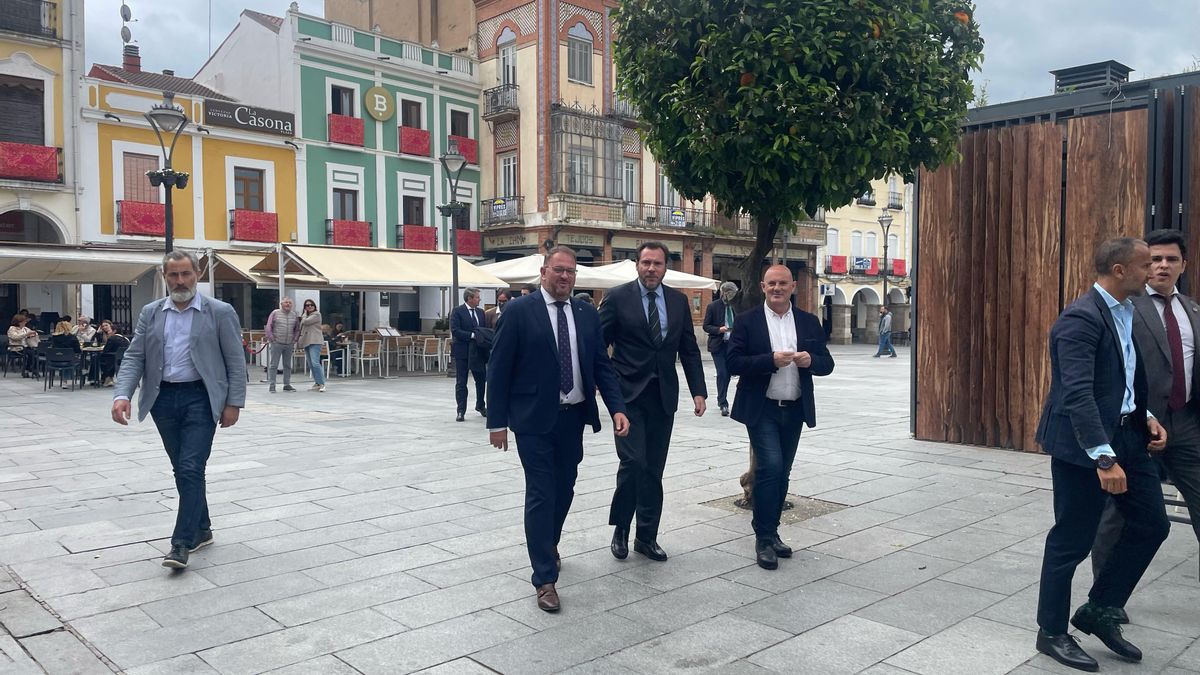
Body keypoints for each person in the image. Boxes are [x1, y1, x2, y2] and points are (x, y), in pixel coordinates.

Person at [1033, 237, 1170, 672]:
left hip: (1128, 434)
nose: (1152, 271)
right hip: (1084, 446)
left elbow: (1119, 378)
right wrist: (1104, 459)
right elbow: (1076, 393)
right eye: (1145, 264)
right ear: (1118, 270)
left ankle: (1099, 609)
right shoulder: (1079, 319)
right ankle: (1051, 631)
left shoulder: (1126, 311)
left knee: (1152, 523)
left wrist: (1144, 414)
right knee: (1071, 540)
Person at [487, 245, 629, 612]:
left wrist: (617, 408)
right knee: (541, 492)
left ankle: (548, 543)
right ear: (544, 272)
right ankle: (545, 578)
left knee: (565, 487)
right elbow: (499, 368)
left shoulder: (585, 313)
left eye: (571, 272)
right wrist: (497, 422)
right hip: (532, 420)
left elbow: (600, 365)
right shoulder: (519, 312)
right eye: (559, 270)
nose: (565, 277)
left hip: (574, 417)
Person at [1090, 229, 1200, 622]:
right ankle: (1106, 598)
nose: (1161, 266)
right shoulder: (1125, 308)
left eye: (1171, 260)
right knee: (1119, 515)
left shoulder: (1193, 310)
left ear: (1183, 266)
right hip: (1138, 426)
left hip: (1186, 424)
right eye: (1154, 260)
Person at [111, 250, 246, 570]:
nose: (180, 280)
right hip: (163, 399)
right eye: (174, 275)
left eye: (186, 274)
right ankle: (202, 528)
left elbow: (235, 361)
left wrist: (234, 403)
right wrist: (122, 394)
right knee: (183, 468)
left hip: (201, 397)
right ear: (164, 276)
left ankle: (181, 543)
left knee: (189, 467)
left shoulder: (219, 311)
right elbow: (135, 357)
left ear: (197, 275)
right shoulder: (152, 312)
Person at [599, 241, 707, 562]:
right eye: (646, 262)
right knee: (633, 463)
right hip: (627, 397)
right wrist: (603, 388)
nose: (651, 269)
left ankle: (646, 537)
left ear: (665, 268)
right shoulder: (617, 298)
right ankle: (621, 528)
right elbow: (598, 346)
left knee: (653, 470)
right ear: (637, 264)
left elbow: (688, 348)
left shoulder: (677, 301)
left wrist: (698, 390)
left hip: (663, 398)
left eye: (657, 264)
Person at [727, 264, 834, 571]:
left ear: (793, 287)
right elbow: (733, 362)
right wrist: (769, 360)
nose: (777, 288)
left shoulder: (808, 322)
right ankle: (762, 537)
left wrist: (810, 359)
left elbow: (827, 364)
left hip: (795, 408)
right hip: (762, 409)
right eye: (771, 283)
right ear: (763, 286)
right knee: (770, 467)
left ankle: (772, 532)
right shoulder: (748, 321)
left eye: (783, 283)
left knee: (783, 472)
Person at [703, 281, 740, 416]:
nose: (731, 297)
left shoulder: (736, 307)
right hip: (718, 344)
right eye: (730, 294)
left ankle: (722, 397)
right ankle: (723, 402)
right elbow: (706, 326)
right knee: (722, 372)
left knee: (728, 373)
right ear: (723, 293)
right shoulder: (713, 306)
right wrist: (719, 329)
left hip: (732, 345)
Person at [450, 288, 487, 421]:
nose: (479, 299)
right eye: (477, 297)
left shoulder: (481, 313)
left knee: (481, 379)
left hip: (477, 352)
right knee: (461, 382)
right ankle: (461, 410)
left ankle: (481, 405)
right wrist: (472, 335)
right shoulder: (458, 311)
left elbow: (483, 329)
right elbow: (455, 331)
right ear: (469, 298)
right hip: (463, 351)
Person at [264, 297, 300, 393]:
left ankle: (287, 384)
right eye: (286, 302)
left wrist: (294, 339)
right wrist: (272, 339)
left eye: (290, 303)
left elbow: (297, 328)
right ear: (281, 304)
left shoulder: (294, 315)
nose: (288, 304)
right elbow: (268, 326)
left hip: (289, 343)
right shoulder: (275, 313)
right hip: (277, 343)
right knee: (274, 365)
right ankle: (272, 385)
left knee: (287, 365)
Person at [298, 299, 326, 392]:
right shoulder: (305, 316)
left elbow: (305, 322)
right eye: (307, 305)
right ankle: (317, 382)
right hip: (307, 341)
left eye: (311, 305)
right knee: (310, 364)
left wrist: (304, 315)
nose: (309, 306)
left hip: (315, 341)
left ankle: (322, 383)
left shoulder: (317, 314)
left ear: (314, 306)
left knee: (315, 363)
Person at [98, 319, 129, 386]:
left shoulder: (112, 338)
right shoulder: (125, 338)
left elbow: (105, 350)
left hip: (112, 359)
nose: (108, 332)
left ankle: (107, 378)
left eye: (109, 330)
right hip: (124, 359)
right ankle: (108, 379)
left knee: (98, 358)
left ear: (114, 331)